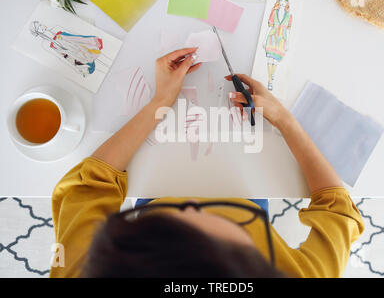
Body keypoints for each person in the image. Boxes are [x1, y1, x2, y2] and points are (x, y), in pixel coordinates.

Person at [50, 47, 364, 278]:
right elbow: (338, 209)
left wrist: (160, 102)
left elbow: (87, 186)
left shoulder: (87, 271)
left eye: (170, 223)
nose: (190, 201)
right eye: (224, 226)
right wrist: (283, 118)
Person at [264, 0, 292, 91]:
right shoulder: (274, 12)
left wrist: (287, 43)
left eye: (284, 2)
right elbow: (269, 27)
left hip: (281, 41)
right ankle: (270, 81)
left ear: (287, 3)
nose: (282, 3)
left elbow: (288, 31)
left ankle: (272, 74)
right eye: (281, 1)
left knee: (275, 61)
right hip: (272, 38)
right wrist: (264, 40)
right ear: (279, 1)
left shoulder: (289, 16)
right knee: (270, 60)